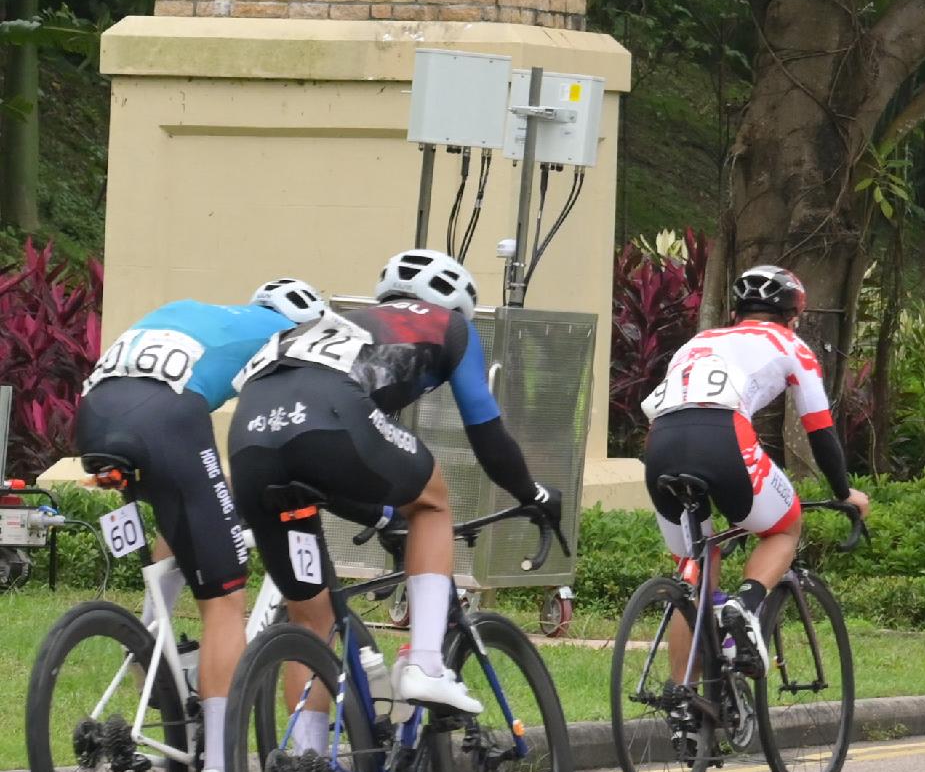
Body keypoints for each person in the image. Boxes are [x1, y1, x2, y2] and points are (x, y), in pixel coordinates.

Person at [227, 250, 561, 726]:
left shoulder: (336, 322)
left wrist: (383, 514)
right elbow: (487, 436)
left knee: (311, 623)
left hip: (250, 438)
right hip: (330, 417)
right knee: (431, 502)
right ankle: (425, 662)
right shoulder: (450, 326)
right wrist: (533, 494)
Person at [74, 275, 326, 726]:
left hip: (95, 416)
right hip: (165, 419)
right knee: (225, 599)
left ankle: (153, 639)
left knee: (184, 507)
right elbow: (274, 431)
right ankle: (219, 766)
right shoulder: (285, 342)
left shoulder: (202, 315)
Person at [639, 262, 869, 676]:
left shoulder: (699, 341)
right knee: (785, 526)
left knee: (693, 579)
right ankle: (743, 608)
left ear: (735, 313)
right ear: (793, 317)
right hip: (723, 435)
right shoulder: (792, 346)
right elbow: (819, 430)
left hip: (660, 444)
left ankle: (683, 707)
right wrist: (843, 492)